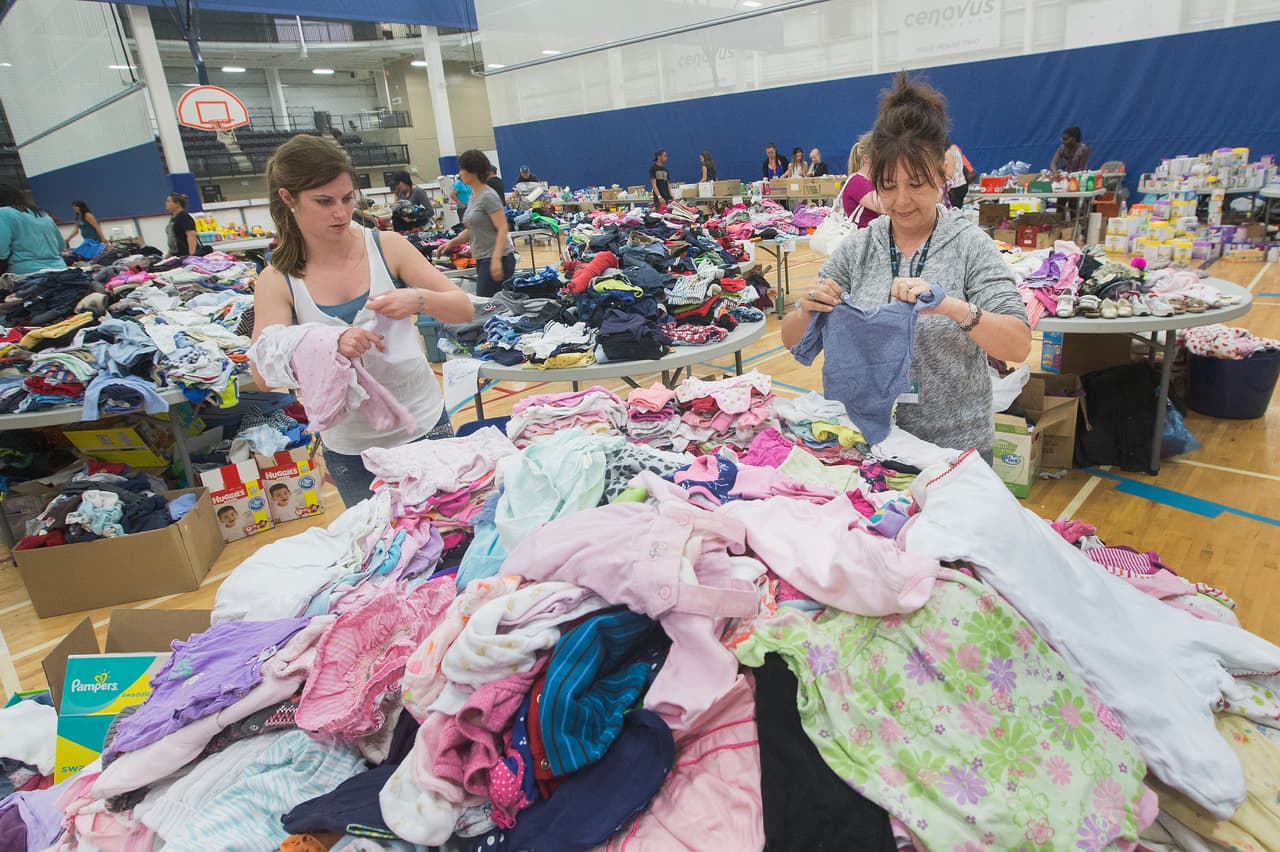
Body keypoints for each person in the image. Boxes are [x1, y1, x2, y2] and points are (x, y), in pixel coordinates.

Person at [782, 73, 1030, 462]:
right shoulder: (860, 247)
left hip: (954, 453)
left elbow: (1017, 342)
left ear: (943, 173)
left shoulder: (969, 245)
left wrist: (952, 307)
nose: (901, 201)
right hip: (870, 448)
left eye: (916, 184)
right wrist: (807, 308)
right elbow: (790, 338)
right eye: (887, 185)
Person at [250, 135, 474, 507]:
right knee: (384, 554)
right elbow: (262, 372)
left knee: (452, 536)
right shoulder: (278, 280)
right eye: (324, 202)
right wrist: (324, 344)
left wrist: (417, 300)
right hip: (351, 451)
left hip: (423, 426)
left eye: (347, 198)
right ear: (288, 199)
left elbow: (462, 308)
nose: (341, 212)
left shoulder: (387, 247)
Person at [439, 149, 516, 299]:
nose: (460, 174)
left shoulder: (488, 196)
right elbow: (472, 229)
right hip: (483, 259)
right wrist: (451, 243)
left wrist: (496, 260)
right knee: (488, 307)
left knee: (488, 307)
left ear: (473, 171)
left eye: (462, 169)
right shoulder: (474, 196)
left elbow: (502, 228)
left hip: (497, 259)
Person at [0, 185, 66, 275]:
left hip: (27, 274)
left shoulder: (3, 213)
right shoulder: (42, 214)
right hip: (61, 270)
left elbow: (1, 251)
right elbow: (61, 246)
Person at [840, 133, 884, 228]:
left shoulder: (872, 182)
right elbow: (885, 208)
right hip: (864, 240)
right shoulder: (858, 183)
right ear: (867, 158)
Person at [164, 192, 198, 258]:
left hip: (185, 255)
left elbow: (192, 235)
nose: (166, 203)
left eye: (168, 201)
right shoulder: (173, 218)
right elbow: (173, 239)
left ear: (177, 204)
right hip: (177, 255)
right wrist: (168, 255)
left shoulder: (184, 217)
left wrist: (192, 255)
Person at [945, 141, 971, 208]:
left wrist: (945, 188)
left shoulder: (947, 153)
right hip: (962, 183)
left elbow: (949, 173)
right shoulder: (955, 149)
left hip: (954, 187)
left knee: (953, 212)